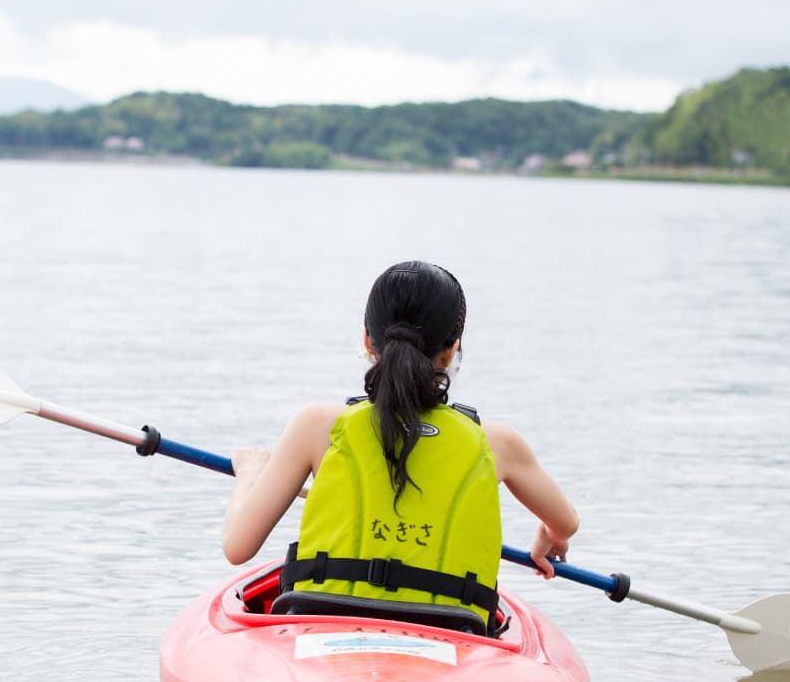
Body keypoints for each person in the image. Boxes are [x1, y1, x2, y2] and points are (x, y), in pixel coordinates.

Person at [221, 260, 578, 635]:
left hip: (322, 629)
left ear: (366, 340)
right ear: (452, 350)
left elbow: (237, 546)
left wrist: (249, 472)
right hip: (454, 635)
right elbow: (566, 521)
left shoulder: (315, 426)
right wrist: (549, 537)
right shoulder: (498, 444)